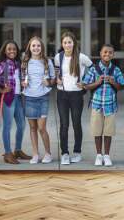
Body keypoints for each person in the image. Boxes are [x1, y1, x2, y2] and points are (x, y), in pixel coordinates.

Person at [0, 40, 31, 164]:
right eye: (9, 49)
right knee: (7, 126)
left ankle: (17, 150)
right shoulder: (2, 65)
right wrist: (1, 90)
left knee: (21, 125)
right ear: (5, 51)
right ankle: (7, 153)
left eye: (14, 49)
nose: (12, 51)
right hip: (8, 99)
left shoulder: (18, 64)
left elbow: (21, 79)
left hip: (18, 98)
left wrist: (23, 84)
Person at [54, 31, 93, 165]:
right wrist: (57, 79)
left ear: (74, 43)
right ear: (62, 44)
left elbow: (93, 69)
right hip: (62, 95)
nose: (67, 45)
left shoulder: (82, 57)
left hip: (76, 94)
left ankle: (77, 152)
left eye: (69, 42)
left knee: (76, 123)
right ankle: (64, 153)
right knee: (64, 124)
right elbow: (57, 72)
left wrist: (85, 82)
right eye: (65, 42)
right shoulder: (58, 57)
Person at [83, 44, 124, 166]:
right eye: (105, 52)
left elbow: (121, 86)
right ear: (100, 53)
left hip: (110, 106)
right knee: (97, 132)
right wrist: (97, 82)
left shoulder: (116, 70)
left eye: (110, 52)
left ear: (113, 54)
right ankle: (98, 155)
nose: (107, 54)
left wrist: (114, 82)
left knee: (108, 132)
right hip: (97, 105)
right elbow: (86, 85)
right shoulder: (94, 69)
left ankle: (107, 155)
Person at [21, 36, 56, 164]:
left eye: (38, 46)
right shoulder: (25, 62)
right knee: (32, 128)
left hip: (43, 97)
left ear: (42, 48)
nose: (36, 48)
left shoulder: (47, 62)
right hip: (29, 97)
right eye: (33, 46)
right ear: (29, 48)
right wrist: (22, 83)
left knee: (41, 128)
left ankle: (48, 153)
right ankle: (35, 154)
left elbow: (53, 79)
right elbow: (21, 78)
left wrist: (48, 82)